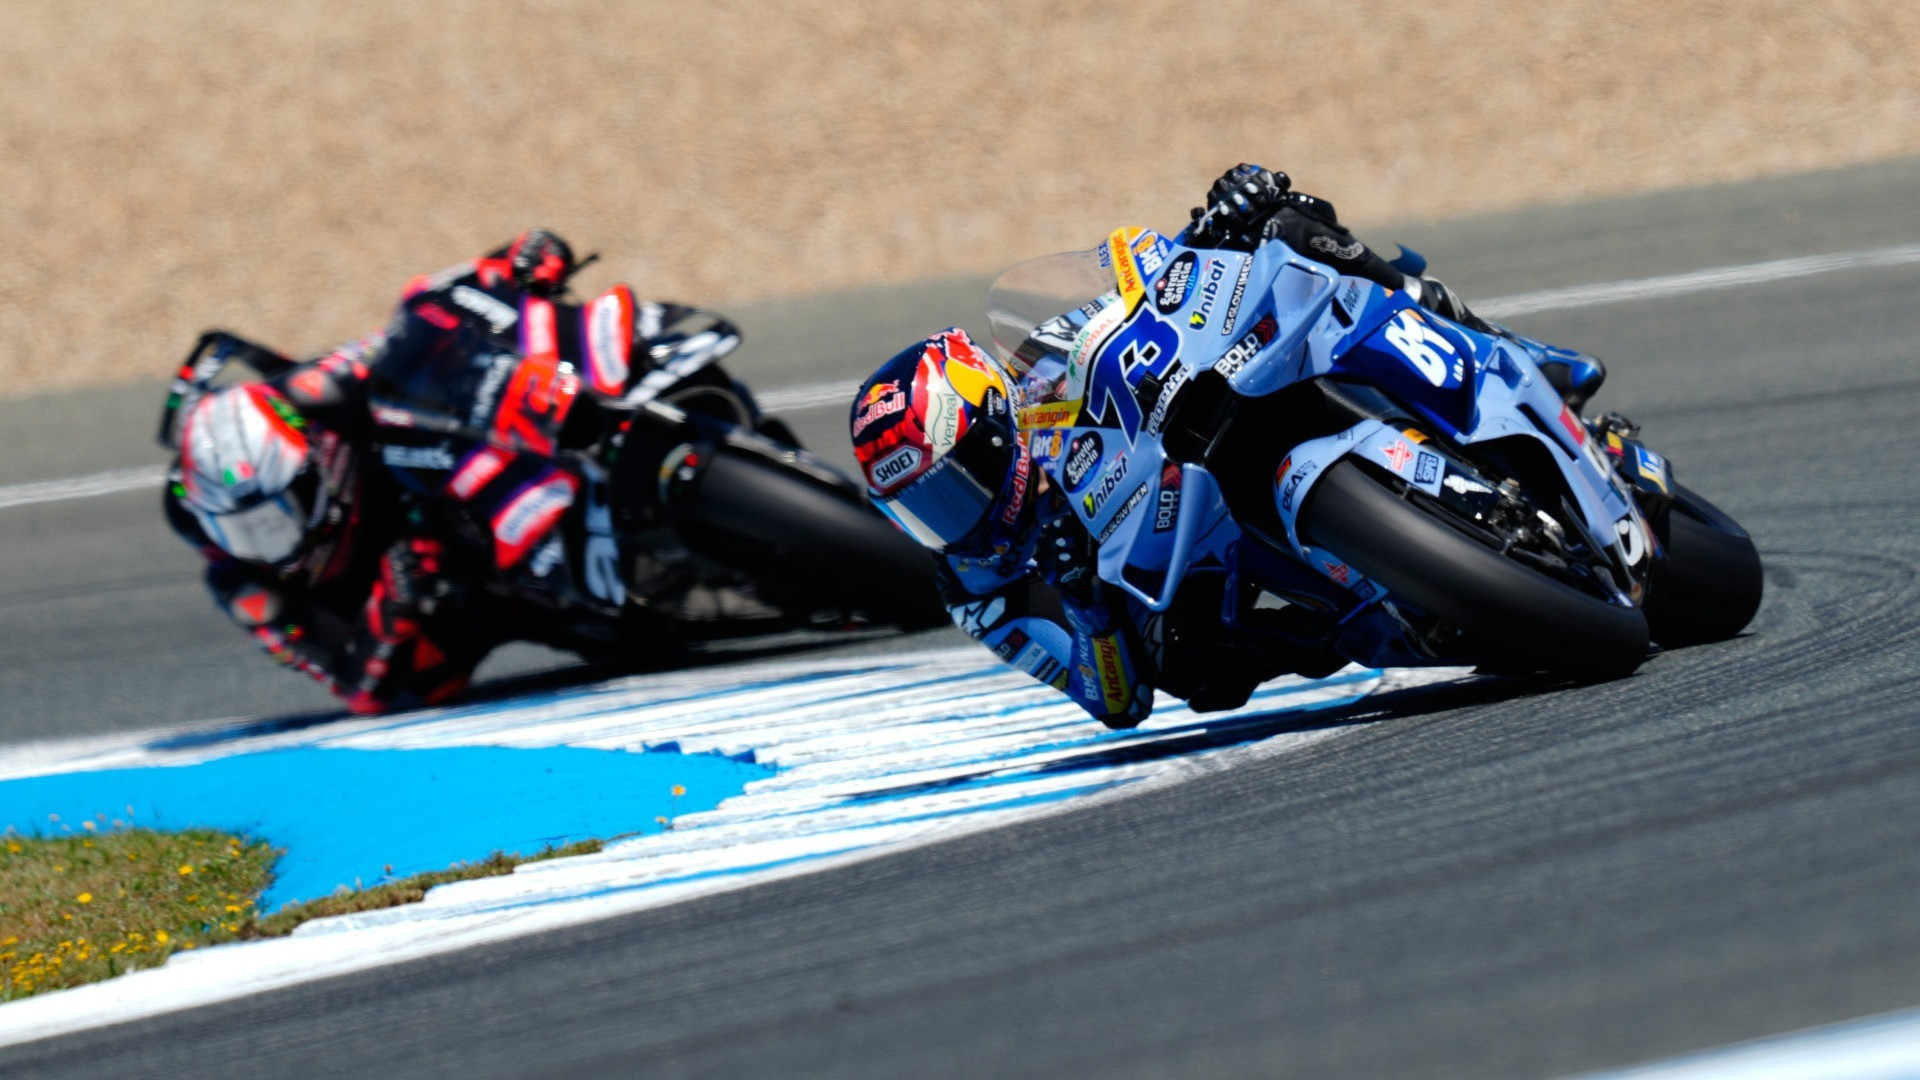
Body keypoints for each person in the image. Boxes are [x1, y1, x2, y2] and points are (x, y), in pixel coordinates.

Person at [850, 165, 1606, 728]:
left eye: (955, 486)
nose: (953, 521)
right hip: (1186, 578)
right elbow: (1114, 701)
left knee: (1292, 228)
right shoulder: (972, 588)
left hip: (1190, 442)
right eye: (921, 510)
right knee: (1195, 670)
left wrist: (1216, 226)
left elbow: (1132, 295)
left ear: (994, 424)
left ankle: (1502, 347)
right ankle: (1389, 605)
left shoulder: (1039, 375)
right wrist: (1086, 607)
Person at [161, 229, 743, 714]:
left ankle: (652, 408)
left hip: (465, 479)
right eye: (242, 531)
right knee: (439, 673)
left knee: (540, 358)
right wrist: (393, 611)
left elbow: (422, 323)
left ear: (316, 463)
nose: (270, 546)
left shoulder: (315, 395)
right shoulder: (244, 581)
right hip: (465, 598)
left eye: (274, 518)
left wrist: (508, 265)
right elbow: (358, 688)